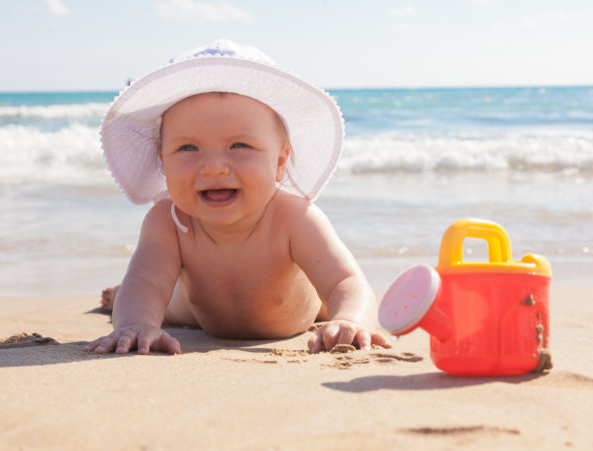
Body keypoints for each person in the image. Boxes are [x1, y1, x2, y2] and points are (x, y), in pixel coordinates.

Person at [84, 40, 392, 355]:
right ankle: (127, 304)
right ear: (162, 159)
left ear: (280, 161)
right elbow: (146, 280)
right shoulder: (169, 221)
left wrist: (351, 318)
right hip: (199, 311)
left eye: (239, 146)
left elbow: (347, 282)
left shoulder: (295, 217)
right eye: (188, 147)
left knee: (330, 308)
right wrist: (135, 322)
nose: (214, 168)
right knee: (161, 303)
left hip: (298, 311)